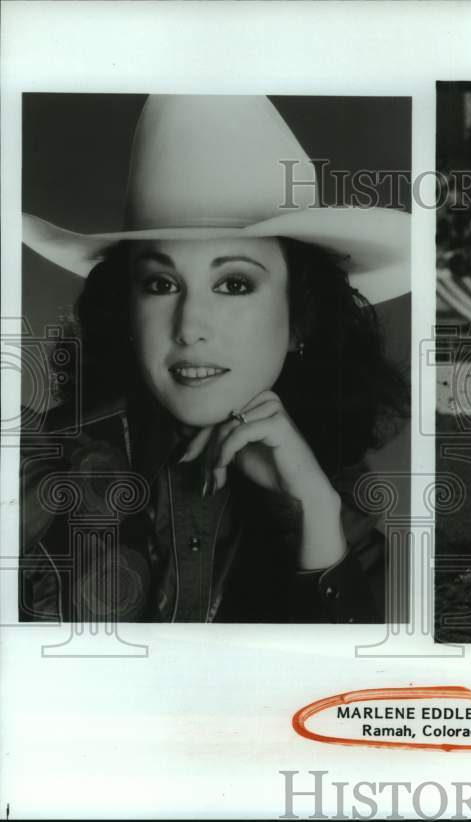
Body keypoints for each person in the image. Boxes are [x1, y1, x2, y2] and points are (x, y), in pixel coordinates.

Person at [19, 95, 410, 623]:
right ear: (126, 313)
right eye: (161, 284)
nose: (189, 327)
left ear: (301, 320)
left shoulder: (332, 495)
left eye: (233, 283)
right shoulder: (32, 474)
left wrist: (316, 517)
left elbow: (346, 694)